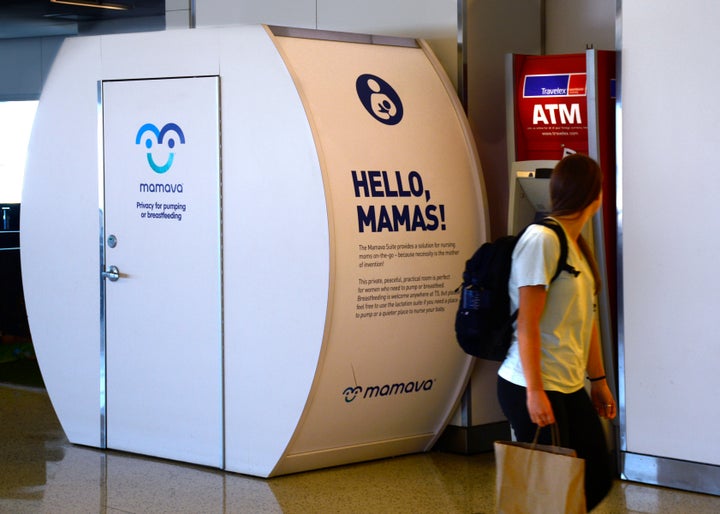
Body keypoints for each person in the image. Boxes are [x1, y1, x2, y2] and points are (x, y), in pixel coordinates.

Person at [497, 153, 616, 511]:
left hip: (566, 383)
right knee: (548, 490)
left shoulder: (576, 245)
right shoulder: (542, 240)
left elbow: (587, 319)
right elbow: (528, 324)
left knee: (595, 474)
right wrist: (534, 392)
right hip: (530, 383)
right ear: (595, 195)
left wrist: (597, 379)